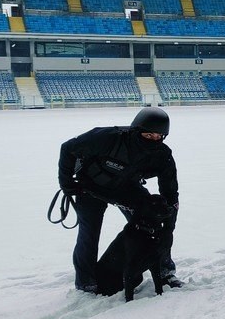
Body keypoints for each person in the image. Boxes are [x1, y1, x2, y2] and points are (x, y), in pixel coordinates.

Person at [57, 106, 181, 294]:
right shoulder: (108, 137)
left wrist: (168, 221)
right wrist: (66, 183)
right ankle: (85, 281)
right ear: (136, 130)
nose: (154, 139)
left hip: (126, 189)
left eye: (159, 136)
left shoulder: (162, 154)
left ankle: (165, 271)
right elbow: (68, 148)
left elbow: (170, 191)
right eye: (148, 135)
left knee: (153, 227)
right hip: (89, 188)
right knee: (89, 234)